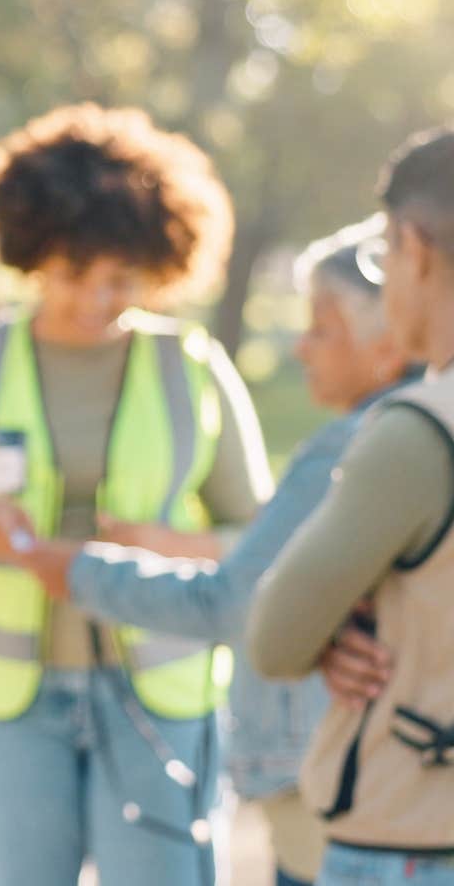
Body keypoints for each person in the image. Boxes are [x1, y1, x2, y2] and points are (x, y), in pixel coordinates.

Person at [0, 103, 273, 886]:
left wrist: (168, 548)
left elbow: (266, 550)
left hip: (161, 698)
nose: (95, 299)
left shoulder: (194, 367)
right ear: (31, 256)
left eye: (121, 278)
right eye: (71, 273)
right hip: (4, 713)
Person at [0, 215, 414, 886]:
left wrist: (74, 569)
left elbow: (238, 602)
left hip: (336, 803)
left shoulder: (352, 446)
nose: (300, 348)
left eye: (320, 328)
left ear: (388, 344)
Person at [248, 128, 454, 885]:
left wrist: (338, 626)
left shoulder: (418, 434)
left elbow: (275, 638)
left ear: (416, 248)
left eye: (385, 261)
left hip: (414, 837)